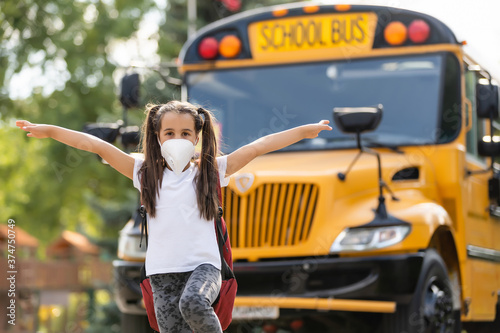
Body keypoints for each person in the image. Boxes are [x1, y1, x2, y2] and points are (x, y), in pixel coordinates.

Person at [16, 100, 332, 332]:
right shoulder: (142, 171)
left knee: (193, 303)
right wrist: (50, 130)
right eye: (169, 132)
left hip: (204, 267)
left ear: (197, 137)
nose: (177, 139)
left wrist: (304, 131)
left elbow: (257, 147)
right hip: (161, 273)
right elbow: (94, 145)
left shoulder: (211, 170)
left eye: (185, 133)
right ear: (156, 136)